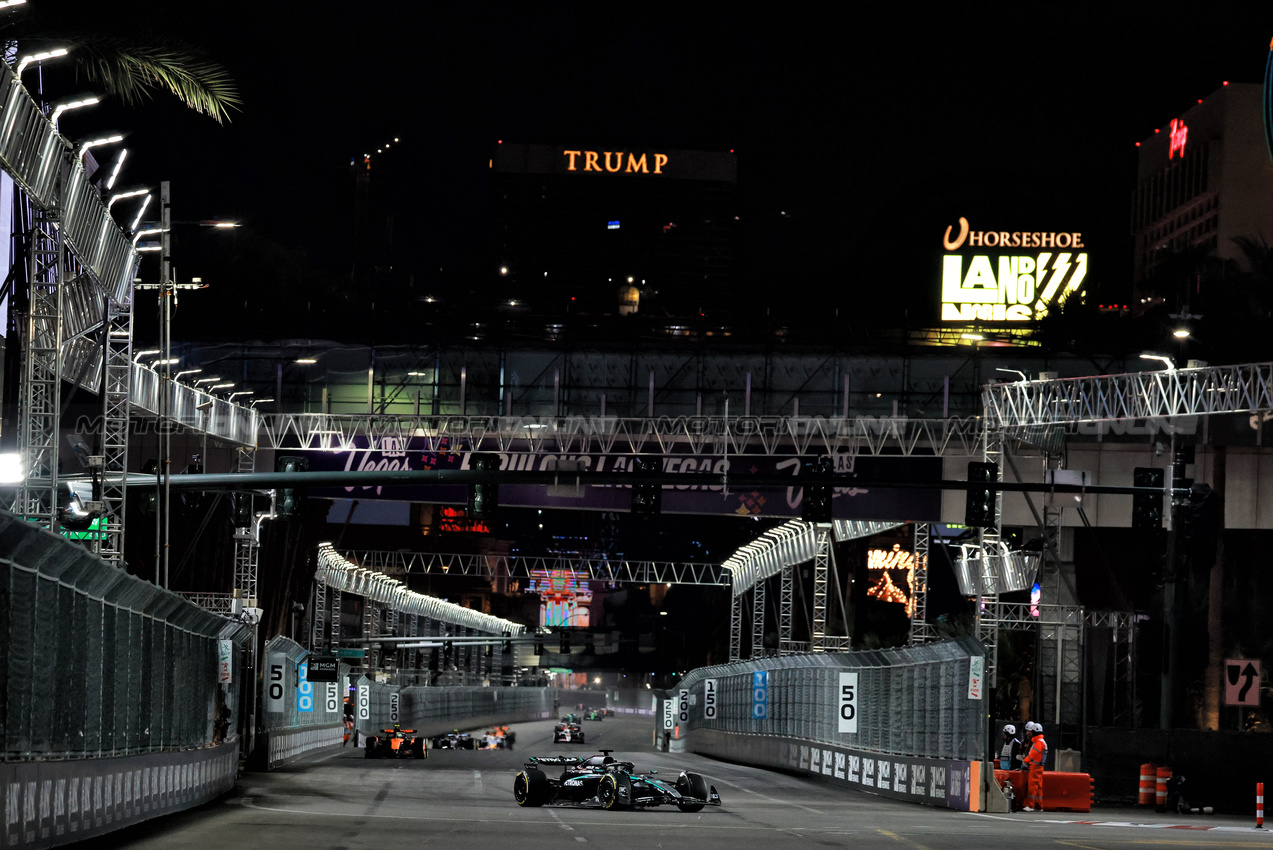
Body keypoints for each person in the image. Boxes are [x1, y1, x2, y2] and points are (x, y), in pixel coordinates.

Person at [1021, 721, 1048, 811]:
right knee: (1038, 786)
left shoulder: (1038, 742)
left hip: (1035, 767)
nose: (1030, 733)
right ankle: (1039, 805)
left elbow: (1033, 754)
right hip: (1039, 767)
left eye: (1032, 732)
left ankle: (1030, 805)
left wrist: (1025, 760)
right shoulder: (1041, 741)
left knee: (1032, 786)